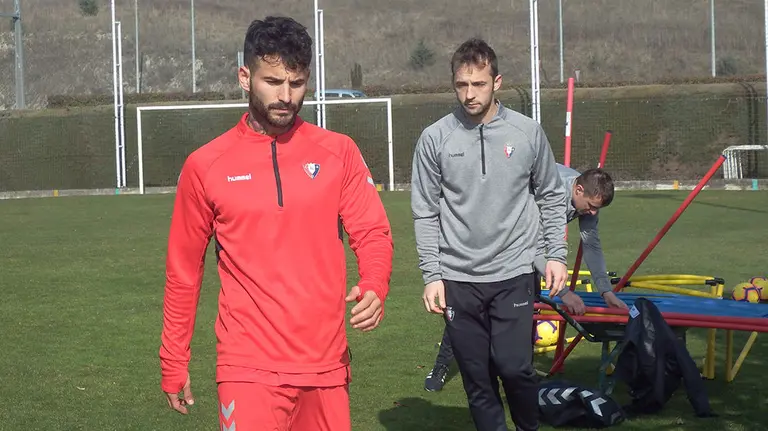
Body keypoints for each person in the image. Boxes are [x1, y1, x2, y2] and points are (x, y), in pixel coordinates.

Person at [158, 16, 394, 431]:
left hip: (326, 366)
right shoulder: (205, 165)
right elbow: (183, 270)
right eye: (273, 82)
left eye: (297, 83)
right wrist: (174, 358)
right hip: (246, 368)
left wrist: (374, 283)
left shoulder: (339, 152)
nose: (286, 96)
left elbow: (372, 231)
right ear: (244, 77)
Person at [411, 38, 569, 431]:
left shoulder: (527, 132)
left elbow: (551, 195)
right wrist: (432, 275)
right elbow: (425, 212)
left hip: (513, 273)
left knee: (515, 369)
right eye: (462, 85)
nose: (469, 94)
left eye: (478, 84)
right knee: (478, 380)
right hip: (458, 279)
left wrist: (556, 254)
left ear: (496, 81)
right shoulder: (435, 138)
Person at [423, 164, 628, 392]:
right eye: (590, 207)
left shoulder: (585, 199)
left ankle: (523, 374)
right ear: (578, 189)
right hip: (489, 235)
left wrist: (605, 291)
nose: (592, 213)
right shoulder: (550, 193)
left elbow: (591, 244)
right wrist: (564, 293)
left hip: (520, 244)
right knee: (467, 307)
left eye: (596, 209)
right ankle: (441, 366)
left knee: (527, 306)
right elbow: (535, 249)